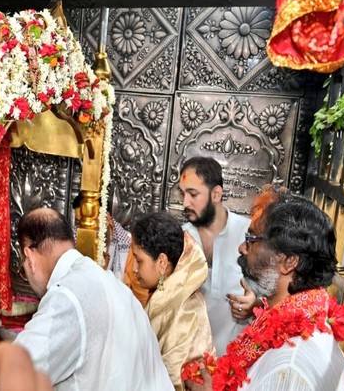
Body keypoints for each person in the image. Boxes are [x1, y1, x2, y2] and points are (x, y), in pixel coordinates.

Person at [183, 191, 344, 391]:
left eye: (252, 239)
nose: (241, 248)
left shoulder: (290, 365)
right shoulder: (306, 323)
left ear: (289, 261)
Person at [13, 207, 174, 390]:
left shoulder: (66, 296)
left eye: (24, 269)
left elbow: (14, 374)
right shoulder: (120, 289)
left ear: (30, 257)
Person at [130, 211, 215, 391]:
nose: (133, 269)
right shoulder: (166, 295)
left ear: (161, 262)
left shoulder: (186, 309)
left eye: (138, 260)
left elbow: (173, 379)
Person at [179, 156, 255, 354]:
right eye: (183, 194)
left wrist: (254, 303)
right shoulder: (180, 237)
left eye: (193, 194)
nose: (185, 203)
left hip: (237, 363)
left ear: (216, 194)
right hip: (189, 360)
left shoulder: (249, 236)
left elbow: (273, 292)